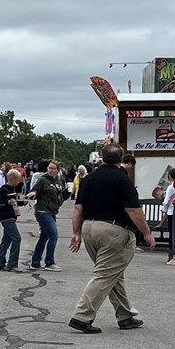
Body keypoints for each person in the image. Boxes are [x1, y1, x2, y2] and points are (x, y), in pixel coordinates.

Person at [67, 143, 155, 334]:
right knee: (105, 274)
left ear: (102, 157)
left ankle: (125, 315)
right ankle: (81, 316)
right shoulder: (122, 180)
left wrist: (76, 233)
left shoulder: (88, 179)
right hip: (114, 230)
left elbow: (78, 208)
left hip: (89, 228)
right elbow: (133, 210)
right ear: (121, 159)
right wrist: (146, 233)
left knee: (113, 273)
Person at [26, 160, 65, 271]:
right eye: (49, 168)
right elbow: (35, 190)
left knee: (44, 237)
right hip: (43, 211)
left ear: (58, 170)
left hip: (52, 211)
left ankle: (35, 262)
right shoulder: (42, 180)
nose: (50, 170)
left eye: (53, 168)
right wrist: (33, 193)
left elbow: (61, 193)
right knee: (53, 235)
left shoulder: (58, 181)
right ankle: (49, 262)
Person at [0, 169, 25, 271]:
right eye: (17, 180)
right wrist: (8, 202)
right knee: (16, 239)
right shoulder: (4, 190)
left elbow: (14, 202)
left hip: (11, 216)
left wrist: (21, 203)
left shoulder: (12, 189)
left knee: (6, 241)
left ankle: (0, 263)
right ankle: (12, 264)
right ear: (12, 179)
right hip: (7, 217)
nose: (18, 182)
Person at [157, 168, 175, 264]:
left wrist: (164, 208)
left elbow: (167, 201)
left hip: (171, 211)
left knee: (173, 234)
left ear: (169, 176)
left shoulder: (171, 187)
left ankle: (172, 254)